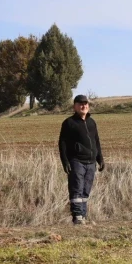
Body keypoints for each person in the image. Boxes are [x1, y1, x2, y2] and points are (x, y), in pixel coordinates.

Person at [58, 94, 105, 225]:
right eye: (80, 104)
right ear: (75, 106)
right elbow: (62, 143)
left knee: (86, 190)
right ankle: (77, 217)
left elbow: (96, 141)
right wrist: (65, 161)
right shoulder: (69, 123)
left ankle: (83, 216)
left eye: (85, 104)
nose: (83, 106)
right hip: (76, 161)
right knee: (77, 188)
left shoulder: (92, 122)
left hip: (91, 162)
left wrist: (100, 158)